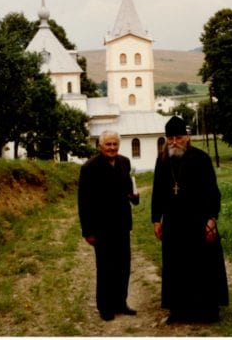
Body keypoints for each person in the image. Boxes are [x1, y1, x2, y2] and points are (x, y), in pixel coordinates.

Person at [151, 116, 229, 324]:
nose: (174, 142)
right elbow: (157, 191)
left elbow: (213, 191)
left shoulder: (201, 159)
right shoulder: (162, 160)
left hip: (198, 220)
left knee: (202, 266)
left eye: (178, 137)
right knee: (176, 267)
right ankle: (179, 310)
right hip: (174, 223)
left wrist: (212, 218)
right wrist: (156, 220)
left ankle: (208, 311)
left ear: (187, 137)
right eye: (170, 138)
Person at [77, 130, 139, 321]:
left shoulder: (124, 162)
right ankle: (105, 307)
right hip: (101, 228)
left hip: (122, 224)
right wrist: (88, 231)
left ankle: (121, 302)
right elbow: (84, 202)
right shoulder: (89, 167)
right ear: (100, 146)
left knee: (123, 266)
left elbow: (130, 190)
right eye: (108, 144)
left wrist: (135, 197)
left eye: (115, 144)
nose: (112, 148)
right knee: (105, 268)